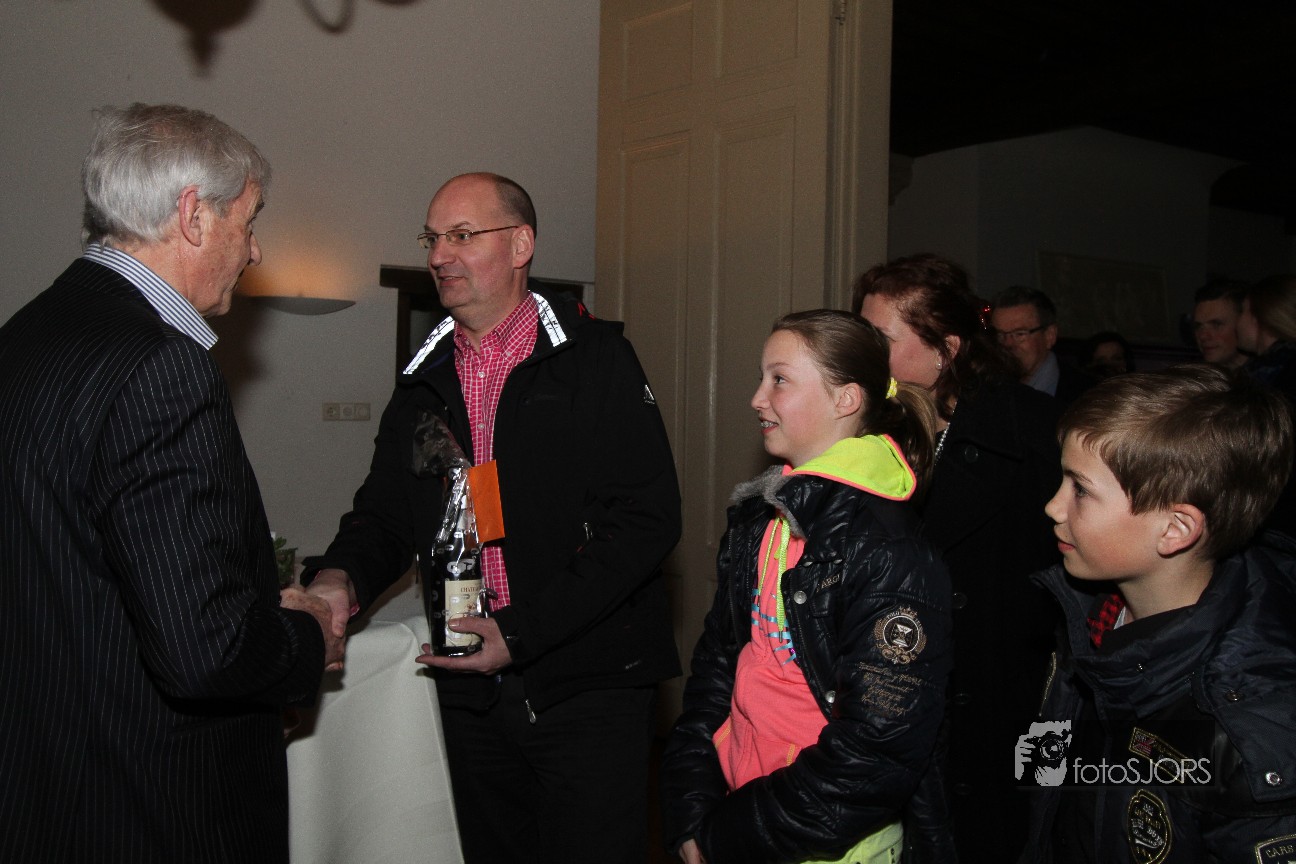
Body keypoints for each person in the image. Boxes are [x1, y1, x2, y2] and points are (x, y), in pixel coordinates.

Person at [301, 172, 682, 864]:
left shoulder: (595, 359)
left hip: (586, 686)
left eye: (462, 235)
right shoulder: (423, 380)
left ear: (521, 245)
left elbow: (645, 522)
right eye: (432, 238)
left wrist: (522, 630)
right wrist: (338, 579)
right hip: (470, 687)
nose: (438, 255)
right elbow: (385, 514)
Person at [0, 103, 341, 864]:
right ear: (193, 216)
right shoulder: (160, 364)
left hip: (43, 791)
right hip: (152, 808)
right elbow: (202, 650)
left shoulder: (25, 334)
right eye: (249, 221)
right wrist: (305, 639)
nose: (255, 250)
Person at [661, 310, 953, 864]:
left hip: (831, 846)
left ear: (846, 400)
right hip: (743, 813)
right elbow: (718, 667)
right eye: (762, 378)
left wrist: (726, 836)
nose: (757, 398)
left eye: (780, 380)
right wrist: (693, 807)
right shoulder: (762, 519)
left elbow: (875, 752)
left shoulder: (886, 550)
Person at [1022, 364, 1296, 862]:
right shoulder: (1086, 616)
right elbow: (1049, 786)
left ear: (1174, 530)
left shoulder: (1247, 734)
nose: (1053, 507)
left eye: (1080, 490)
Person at [855, 254, 1061, 862]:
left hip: (1006, 700)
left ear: (946, 348)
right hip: (905, 694)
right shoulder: (871, 429)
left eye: (881, 339)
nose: (864, 353)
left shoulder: (1033, 432)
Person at [991, 285, 1097, 405]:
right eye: (999, 335)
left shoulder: (1088, 395)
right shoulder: (989, 391)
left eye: (1020, 334)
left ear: (1049, 336)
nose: (1007, 344)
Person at [1190, 279, 1248, 369]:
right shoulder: (1197, 374)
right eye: (1198, 326)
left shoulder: (1267, 374)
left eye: (1216, 325)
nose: (1203, 336)